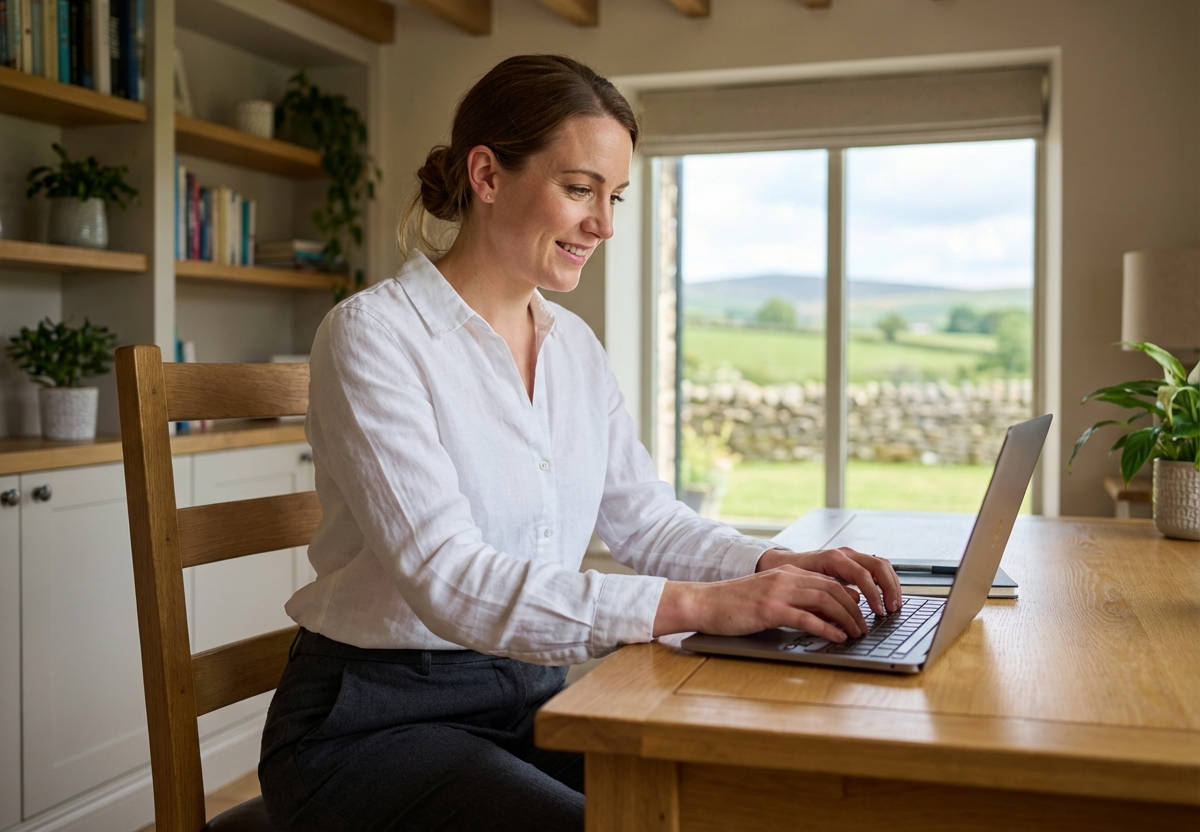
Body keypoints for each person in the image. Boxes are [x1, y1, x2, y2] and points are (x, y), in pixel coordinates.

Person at [259, 55, 901, 832]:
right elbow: (447, 576)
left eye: (615, 195)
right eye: (579, 189)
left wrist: (769, 567)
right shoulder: (375, 335)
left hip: (532, 698)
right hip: (371, 724)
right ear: (488, 175)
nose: (603, 223)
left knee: (730, 797)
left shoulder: (574, 347)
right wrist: (700, 605)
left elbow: (644, 522)